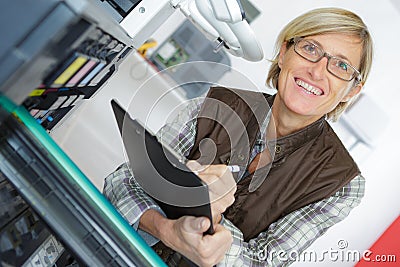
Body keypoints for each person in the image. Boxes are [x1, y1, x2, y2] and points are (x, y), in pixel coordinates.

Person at [103, 7, 373, 266]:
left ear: (351, 91)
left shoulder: (342, 184)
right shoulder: (210, 105)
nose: (317, 71)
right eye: (310, 49)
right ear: (283, 54)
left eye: (341, 65)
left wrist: (210, 215)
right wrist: (166, 229)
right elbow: (124, 181)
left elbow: (263, 262)